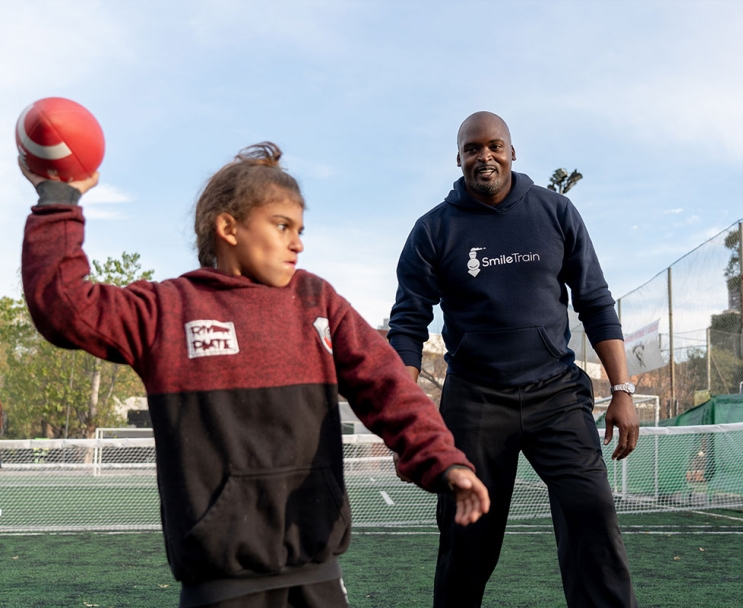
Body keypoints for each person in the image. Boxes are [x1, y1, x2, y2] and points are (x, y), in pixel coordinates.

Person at [20, 142, 489, 608]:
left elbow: (390, 388)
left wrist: (442, 458)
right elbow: (64, 306)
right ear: (228, 227)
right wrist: (58, 198)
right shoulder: (167, 311)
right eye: (282, 225)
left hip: (318, 570)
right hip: (220, 582)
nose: (298, 243)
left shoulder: (318, 302)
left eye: (301, 229)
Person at [387, 112, 639, 608]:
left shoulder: (555, 211)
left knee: (592, 514)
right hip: (477, 400)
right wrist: (403, 422)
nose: (485, 156)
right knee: (467, 536)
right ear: (458, 158)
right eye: (472, 148)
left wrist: (622, 390)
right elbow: (408, 325)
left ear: (512, 151)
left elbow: (595, 300)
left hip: (557, 394)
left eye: (495, 146)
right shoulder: (433, 229)